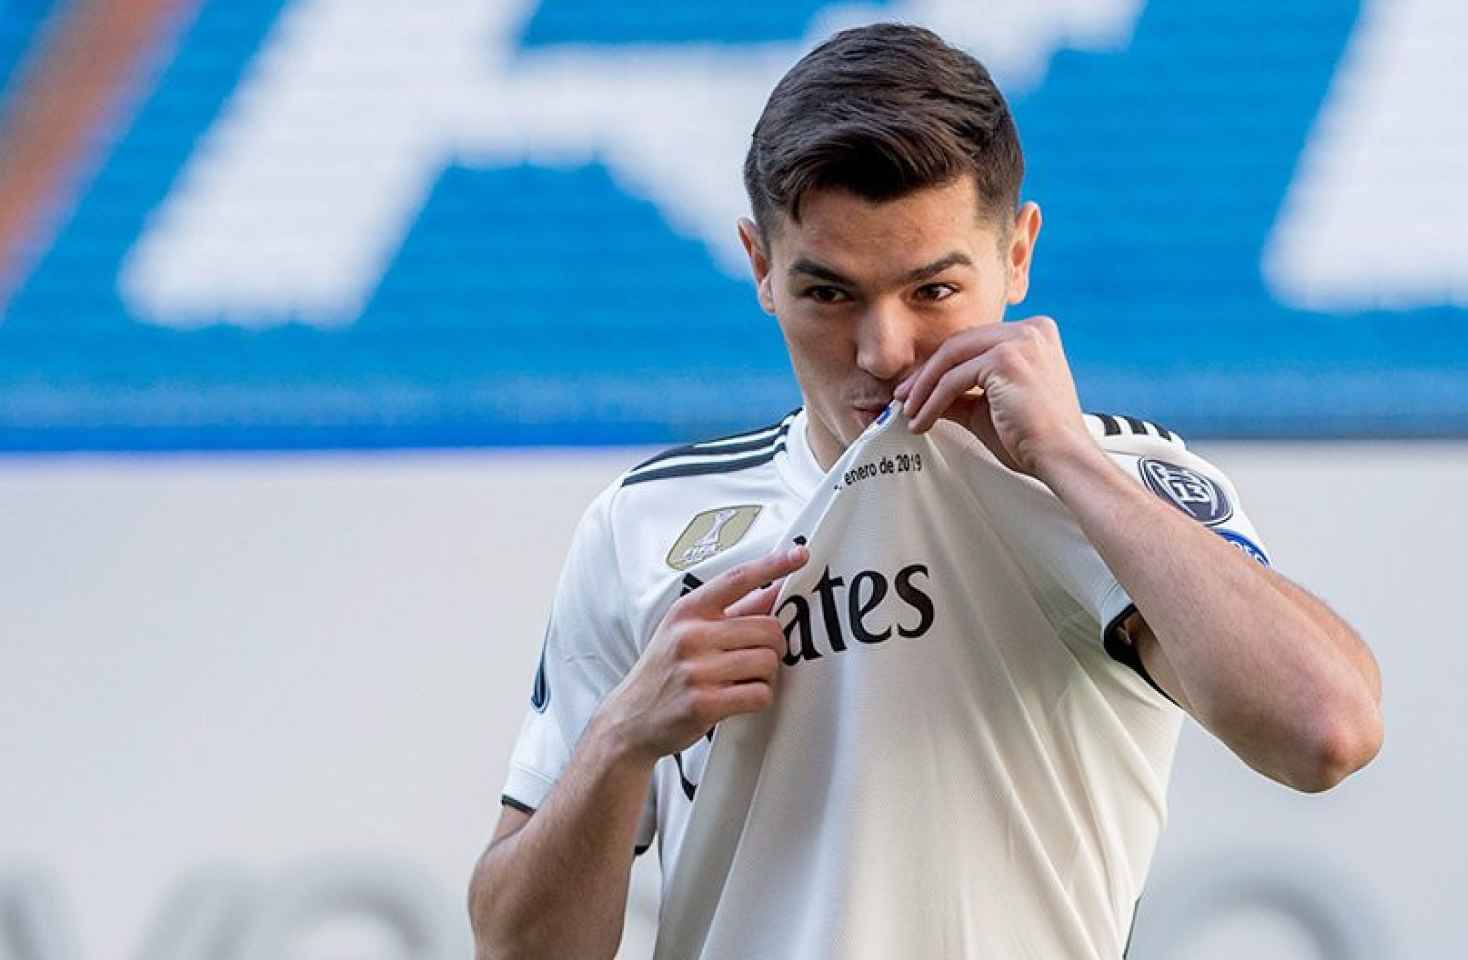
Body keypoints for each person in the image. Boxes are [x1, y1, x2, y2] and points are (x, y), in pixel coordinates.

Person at [468, 22, 1382, 960]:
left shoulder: (1113, 488)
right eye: (829, 295)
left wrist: (1066, 460)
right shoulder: (645, 524)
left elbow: (1328, 731)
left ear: (1018, 254)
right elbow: (516, 949)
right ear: (759, 269)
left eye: (933, 291)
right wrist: (623, 735)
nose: (883, 351)